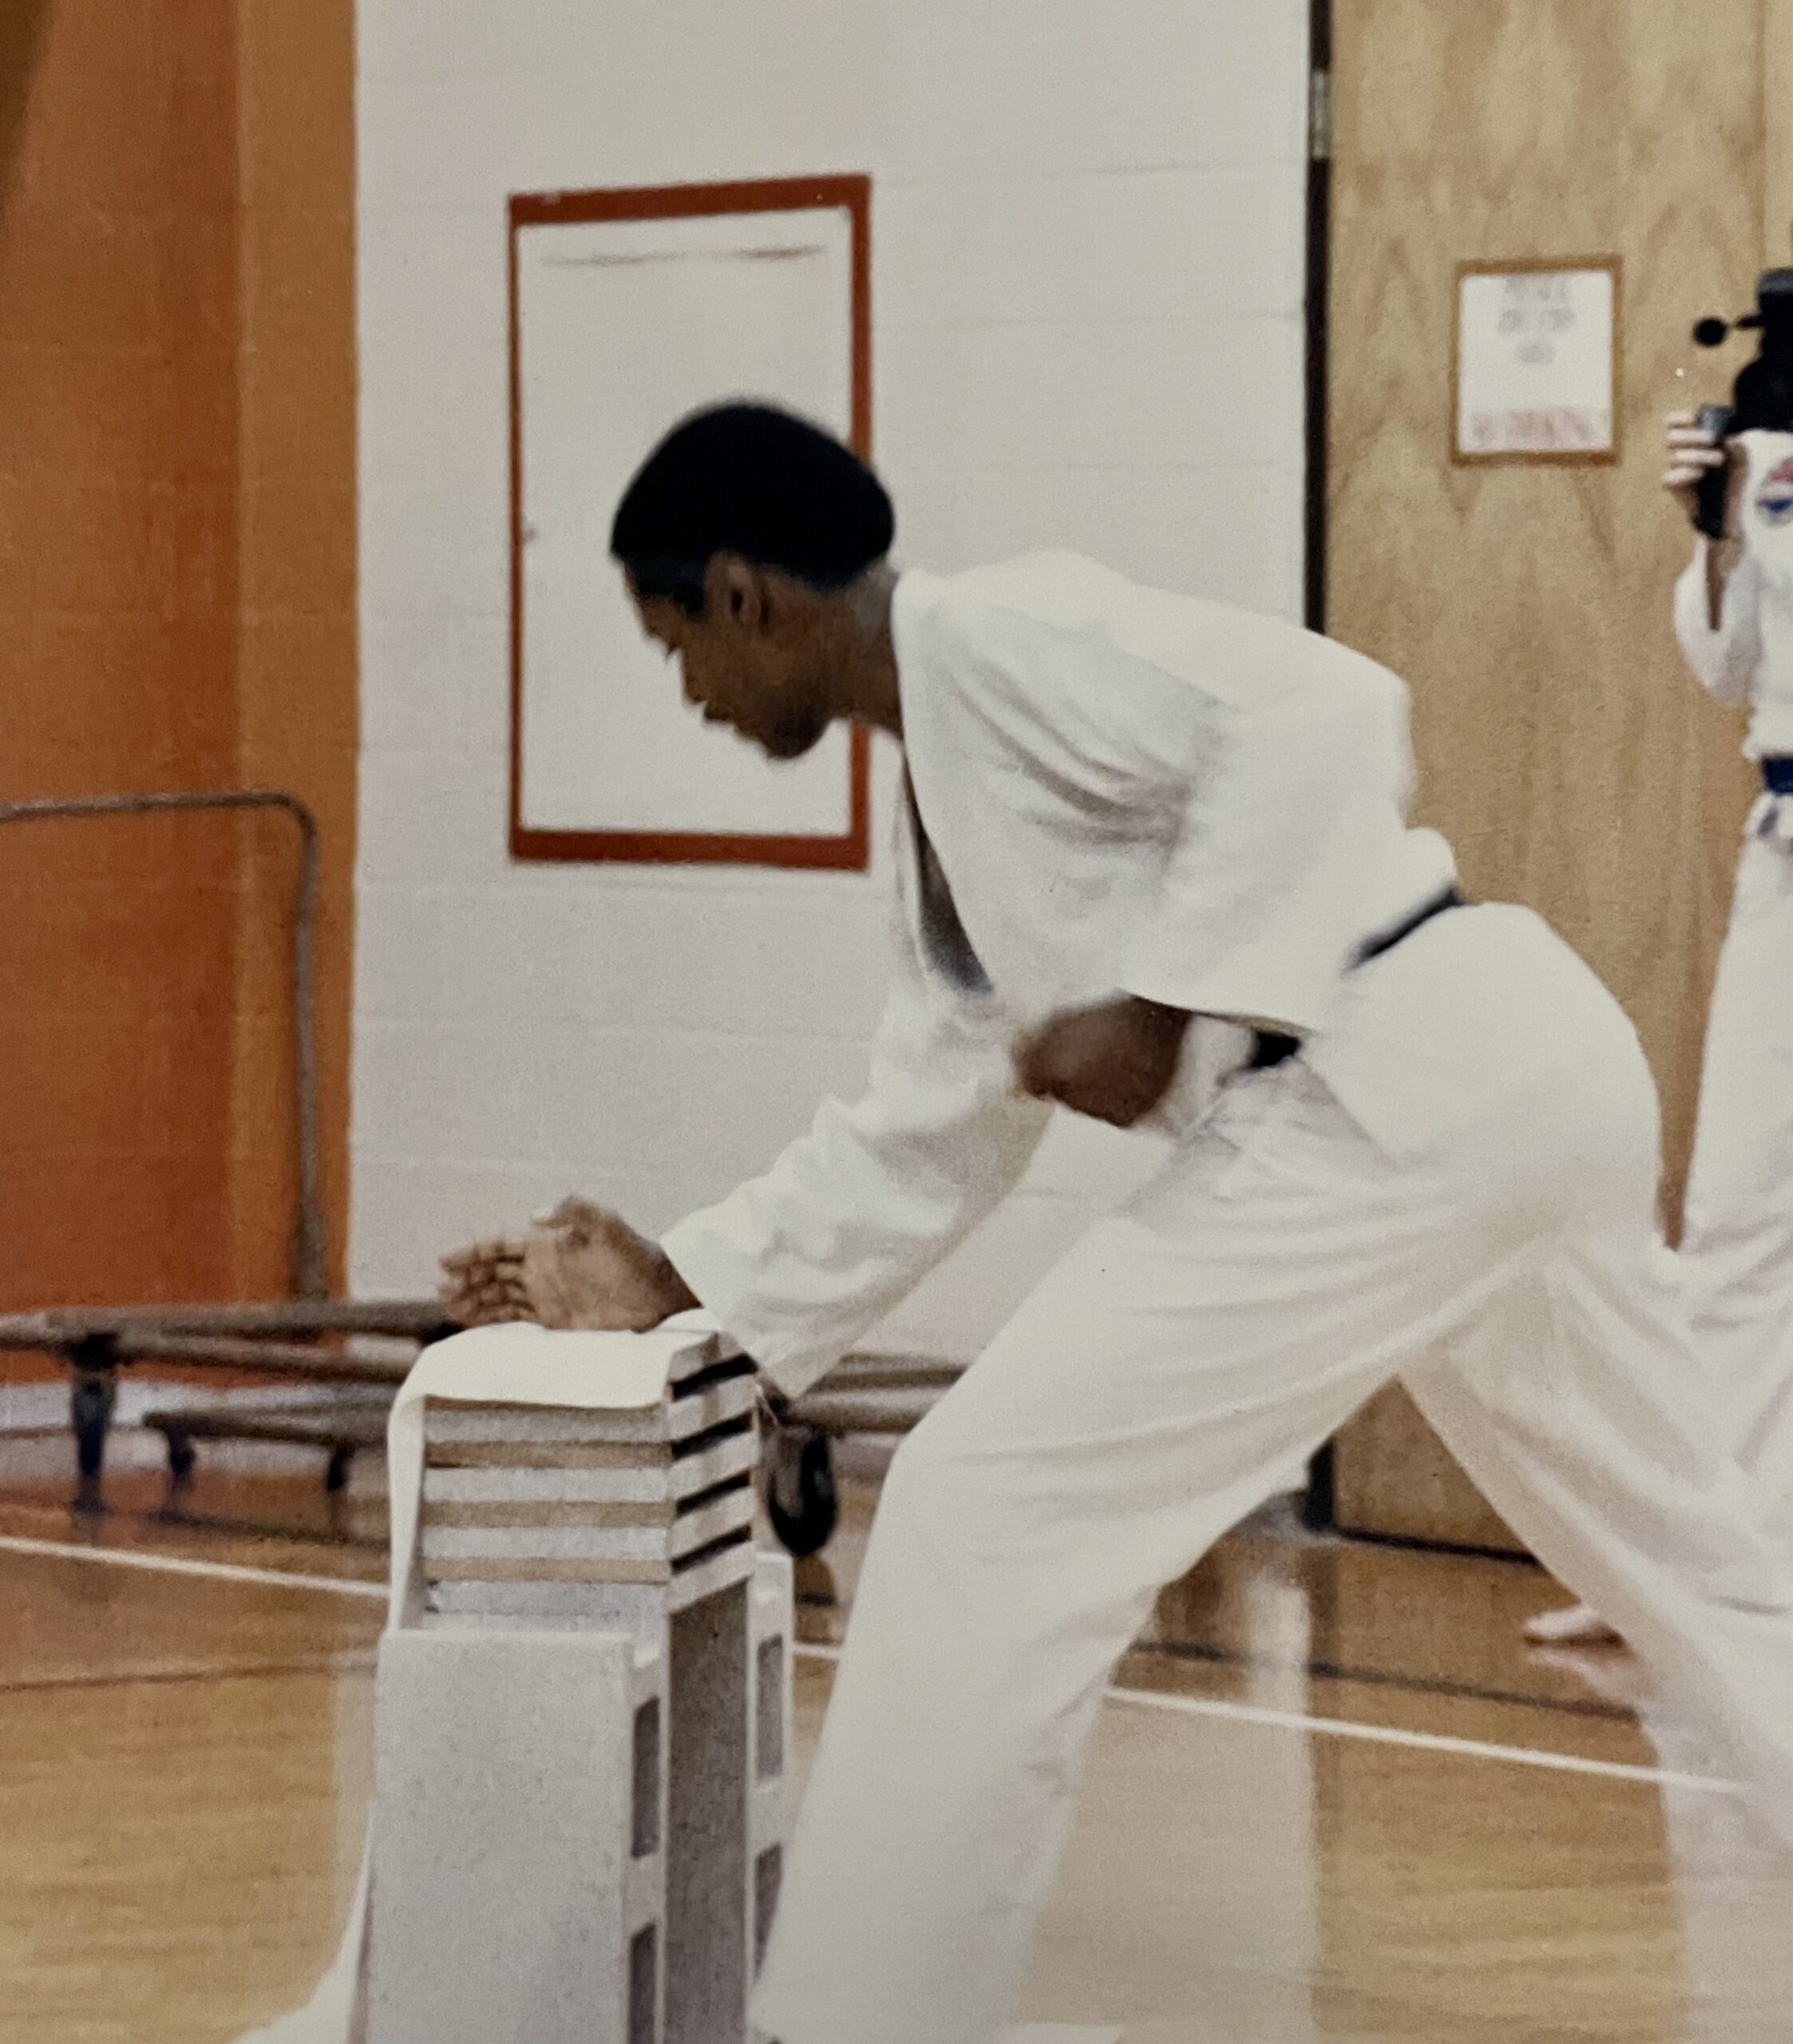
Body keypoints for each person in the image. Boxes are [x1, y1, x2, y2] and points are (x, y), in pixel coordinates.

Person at [442, 402, 1793, 2044]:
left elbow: (1325, 705)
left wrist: (1159, 998)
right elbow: (936, 1129)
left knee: (976, 1508)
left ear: (745, 594)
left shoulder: (1003, 634)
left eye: (680, 647)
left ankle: (866, 2016)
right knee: (1707, 1574)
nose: (695, 696)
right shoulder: (944, 791)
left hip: (1394, 1096)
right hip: (1502, 1079)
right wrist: (682, 1278)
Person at [1527, 410, 1793, 1649]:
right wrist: (1729, 531)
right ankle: (1706, 1558)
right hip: (1782, 844)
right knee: (1736, 1211)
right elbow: (1726, 671)